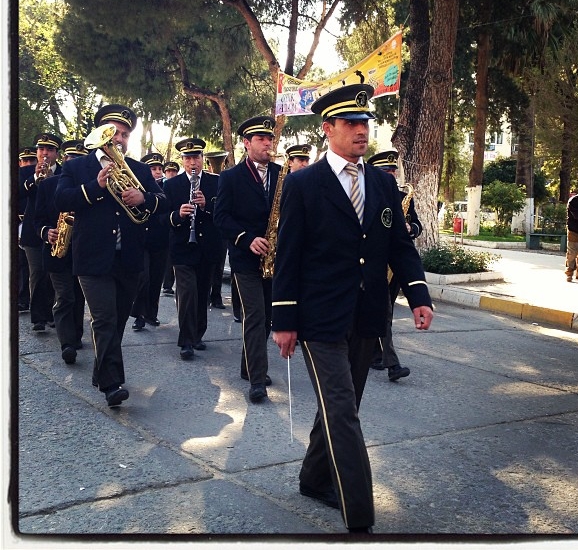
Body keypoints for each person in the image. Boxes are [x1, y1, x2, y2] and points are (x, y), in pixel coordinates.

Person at [271, 84, 433, 534]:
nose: (363, 131)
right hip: (318, 319)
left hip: (365, 316)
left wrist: (418, 295)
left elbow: (399, 245)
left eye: (366, 123)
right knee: (343, 410)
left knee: (341, 404)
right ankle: (360, 515)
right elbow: (289, 256)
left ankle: (313, 478)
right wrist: (283, 320)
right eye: (352, 124)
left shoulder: (382, 182)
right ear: (328, 129)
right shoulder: (304, 184)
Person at [55, 104, 166, 407]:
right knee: (104, 319)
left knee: (116, 322)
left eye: (125, 134)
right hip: (92, 259)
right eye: (114, 132)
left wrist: (145, 197)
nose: (119, 138)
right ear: (99, 134)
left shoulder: (140, 169)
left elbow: (163, 201)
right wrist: (96, 186)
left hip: (129, 258)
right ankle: (112, 384)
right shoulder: (77, 167)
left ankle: (101, 371)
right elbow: (61, 198)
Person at [214, 116, 281, 403]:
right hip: (244, 257)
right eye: (261, 139)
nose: (268, 143)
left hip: (274, 258)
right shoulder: (230, 177)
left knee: (267, 318)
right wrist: (246, 238)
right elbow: (221, 218)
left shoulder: (282, 174)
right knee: (254, 316)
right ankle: (257, 381)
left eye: (270, 139)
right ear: (246, 143)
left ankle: (248, 365)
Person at [163, 138, 225, 360]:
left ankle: (198, 335)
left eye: (196, 158)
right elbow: (163, 218)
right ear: (182, 161)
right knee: (187, 293)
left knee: (201, 293)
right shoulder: (171, 185)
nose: (193, 163)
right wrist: (178, 215)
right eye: (188, 158)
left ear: (202, 159)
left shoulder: (217, 182)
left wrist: (207, 206)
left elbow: (223, 215)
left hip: (207, 247)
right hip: (182, 248)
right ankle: (186, 340)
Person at [367, 150, 420, 381]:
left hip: (394, 264)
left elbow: (417, 225)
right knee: (383, 311)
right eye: (386, 171)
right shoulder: (367, 194)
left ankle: (374, 353)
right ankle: (392, 363)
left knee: (384, 312)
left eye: (393, 170)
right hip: (375, 263)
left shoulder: (401, 196)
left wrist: (411, 229)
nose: (391, 174)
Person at [34, 140, 88, 364]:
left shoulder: (92, 188)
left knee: (79, 296)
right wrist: (47, 232)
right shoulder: (48, 185)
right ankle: (66, 343)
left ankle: (75, 336)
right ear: (64, 160)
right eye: (69, 158)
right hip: (57, 252)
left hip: (84, 252)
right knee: (64, 296)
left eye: (78, 159)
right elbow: (37, 221)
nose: (72, 162)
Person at [19, 133, 63, 331]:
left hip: (56, 230)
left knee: (54, 274)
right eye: (41, 149)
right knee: (37, 273)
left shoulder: (65, 172)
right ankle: (38, 317)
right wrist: (35, 177)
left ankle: (53, 313)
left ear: (56, 153)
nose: (44, 153)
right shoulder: (25, 171)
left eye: (49, 150)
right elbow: (19, 193)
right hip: (32, 232)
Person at [131, 152, 170, 331]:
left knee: (156, 279)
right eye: (152, 169)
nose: (157, 172)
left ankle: (151, 314)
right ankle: (138, 314)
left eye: (159, 169)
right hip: (142, 239)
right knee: (143, 278)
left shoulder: (167, 186)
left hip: (161, 239)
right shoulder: (137, 185)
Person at [18, 147, 38, 313]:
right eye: (25, 161)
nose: (28, 165)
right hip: (18, 225)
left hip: (33, 226)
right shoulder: (18, 175)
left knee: (34, 270)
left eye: (31, 161)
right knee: (21, 265)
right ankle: (22, 298)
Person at [161, 162, 179, 296]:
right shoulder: (161, 184)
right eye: (169, 171)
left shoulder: (180, 184)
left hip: (177, 225)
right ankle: (167, 285)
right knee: (167, 258)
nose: (171, 173)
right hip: (166, 226)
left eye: (173, 171)